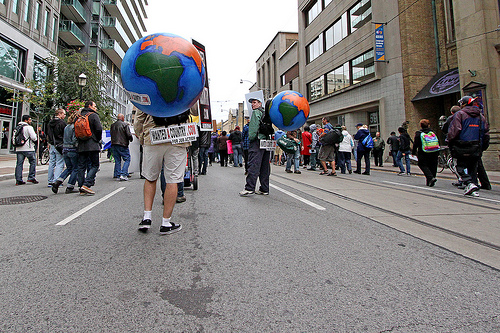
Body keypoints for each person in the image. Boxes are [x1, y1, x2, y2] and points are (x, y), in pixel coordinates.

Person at [134, 109, 189, 234]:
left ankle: (147, 218)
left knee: (150, 178)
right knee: (172, 180)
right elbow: (196, 110)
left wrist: (142, 136)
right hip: (179, 135)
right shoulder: (187, 87)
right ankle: (166, 223)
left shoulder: (148, 87)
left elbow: (139, 115)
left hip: (153, 133)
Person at [447, 96, 490, 196]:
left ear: (463, 104)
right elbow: (486, 133)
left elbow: (455, 131)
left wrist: (450, 142)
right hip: (476, 146)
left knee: (459, 167)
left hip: (461, 145)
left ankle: (469, 183)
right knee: (473, 168)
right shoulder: (480, 116)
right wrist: (483, 147)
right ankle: (473, 188)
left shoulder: (460, 114)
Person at [239, 97, 271, 196]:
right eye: (252, 103)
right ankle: (264, 188)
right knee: (265, 166)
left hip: (257, 141)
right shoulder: (266, 113)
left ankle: (249, 188)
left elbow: (253, 130)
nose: (252, 105)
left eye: (254, 102)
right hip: (267, 141)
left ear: (260, 103)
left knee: (253, 164)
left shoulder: (256, 113)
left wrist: (251, 138)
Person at [77, 101, 103, 195]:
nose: (96, 108)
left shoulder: (79, 116)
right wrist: (97, 139)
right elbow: (99, 129)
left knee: (81, 166)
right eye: (95, 106)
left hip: (81, 144)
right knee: (95, 165)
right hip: (92, 144)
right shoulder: (93, 115)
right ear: (90, 106)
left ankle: (81, 186)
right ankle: (86, 184)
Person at [51, 111, 80, 194]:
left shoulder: (67, 127)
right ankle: (70, 186)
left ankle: (58, 181)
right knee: (75, 168)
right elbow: (74, 139)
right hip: (73, 150)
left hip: (65, 149)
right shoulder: (74, 127)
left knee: (69, 168)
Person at [412, 119, 440, 187]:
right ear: (428, 125)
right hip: (434, 151)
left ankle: (430, 177)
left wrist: (413, 152)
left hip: (423, 152)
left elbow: (416, 144)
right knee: (433, 165)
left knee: (422, 164)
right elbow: (437, 141)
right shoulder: (433, 132)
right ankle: (431, 179)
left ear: (421, 125)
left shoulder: (419, 133)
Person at [14, 115, 38, 185]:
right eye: (29, 120)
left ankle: (18, 179)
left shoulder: (17, 127)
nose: (30, 121)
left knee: (19, 164)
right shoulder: (29, 127)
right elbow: (34, 138)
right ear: (26, 120)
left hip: (19, 148)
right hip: (28, 148)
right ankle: (31, 177)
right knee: (33, 162)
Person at [110, 113, 133, 181]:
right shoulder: (124, 125)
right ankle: (123, 174)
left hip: (114, 144)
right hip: (122, 144)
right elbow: (128, 134)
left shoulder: (113, 125)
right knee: (127, 159)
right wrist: (131, 139)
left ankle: (117, 174)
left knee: (117, 160)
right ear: (122, 118)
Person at [46, 108, 66, 187]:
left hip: (52, 144)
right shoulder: (61, 123)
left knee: (51, 162)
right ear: (60, 114)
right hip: (59, 144)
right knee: (60, 163)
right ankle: (56, 180)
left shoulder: (50, 122)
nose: (64, 116)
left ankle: (50, 180)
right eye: (64, 114)